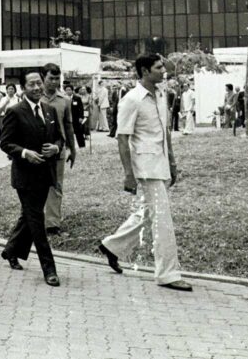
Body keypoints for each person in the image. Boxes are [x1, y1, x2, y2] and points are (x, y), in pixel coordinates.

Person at [98, 53, 192, 292]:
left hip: (160, 164)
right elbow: (122, 138)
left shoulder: (161, 95)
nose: (164, 70)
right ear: (144, 71)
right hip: (146, 167)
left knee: (149, 212)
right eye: (159, 67)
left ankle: (112, 246)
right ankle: (168, 274)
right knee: (163, 219)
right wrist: (128, 174)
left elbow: (165, 133)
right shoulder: (132, 100)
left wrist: (172, 162)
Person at [0, 69, 63, 287]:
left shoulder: (50, 110)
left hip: (45, 174)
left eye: (38, 83)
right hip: (25, 177)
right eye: (31, 85)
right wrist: (25, 153)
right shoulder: (15, 111)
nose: (36, 88)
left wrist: (56, 148)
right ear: (23, 88)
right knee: (36, 220)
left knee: (28, 216)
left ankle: (10, 250)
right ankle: (49, 269)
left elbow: (59, 139)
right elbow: (5, 143)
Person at [39, 63, 76, 237]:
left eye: (57, 79)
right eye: (50, 78)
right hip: (36, 150)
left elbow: (68, 126)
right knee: (36, 186)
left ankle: (52, 225)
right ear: (43, 78)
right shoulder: (34, 98)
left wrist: (72, 149)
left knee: (56, 186)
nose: (54, 82)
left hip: (58, 150)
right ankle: (34, 222)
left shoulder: (64, 100)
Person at [69, 84, 87, 149]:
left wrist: (81, 117)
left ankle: (82, 145)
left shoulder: (77, 98)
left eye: (69, 90)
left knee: (79, 132)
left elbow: (81, 108)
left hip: (76, 118)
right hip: (67, 118)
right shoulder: (64, 98)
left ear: (72, 90)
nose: (68, 91)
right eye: (66, 90)